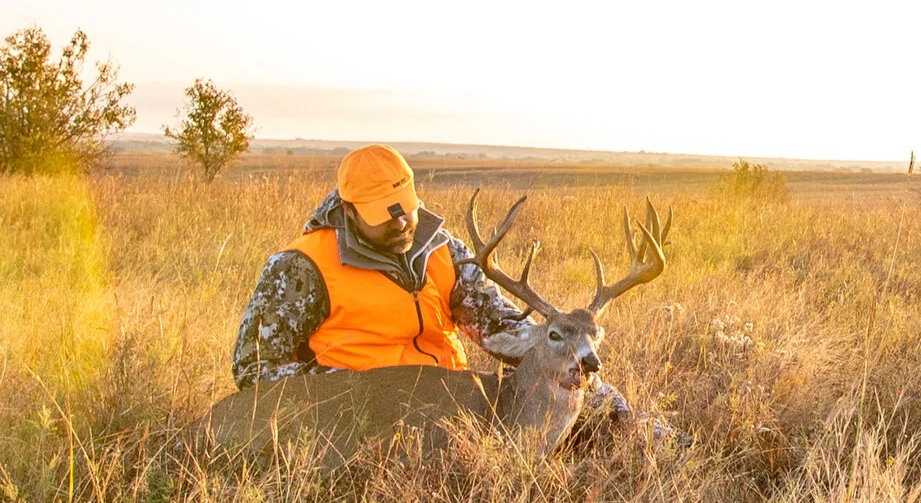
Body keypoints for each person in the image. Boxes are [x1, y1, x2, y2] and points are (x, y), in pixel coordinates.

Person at [230, 143, 630, 428]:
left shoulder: (443, 249)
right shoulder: (300, 268)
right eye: (383, 216)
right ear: (348, 211)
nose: (403, 222)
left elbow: (501, 327)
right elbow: (254, 371)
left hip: (454, 407)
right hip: (360, 420)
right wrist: (353, 391)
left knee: (588, 421)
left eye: (406, 206)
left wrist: (572, 356)